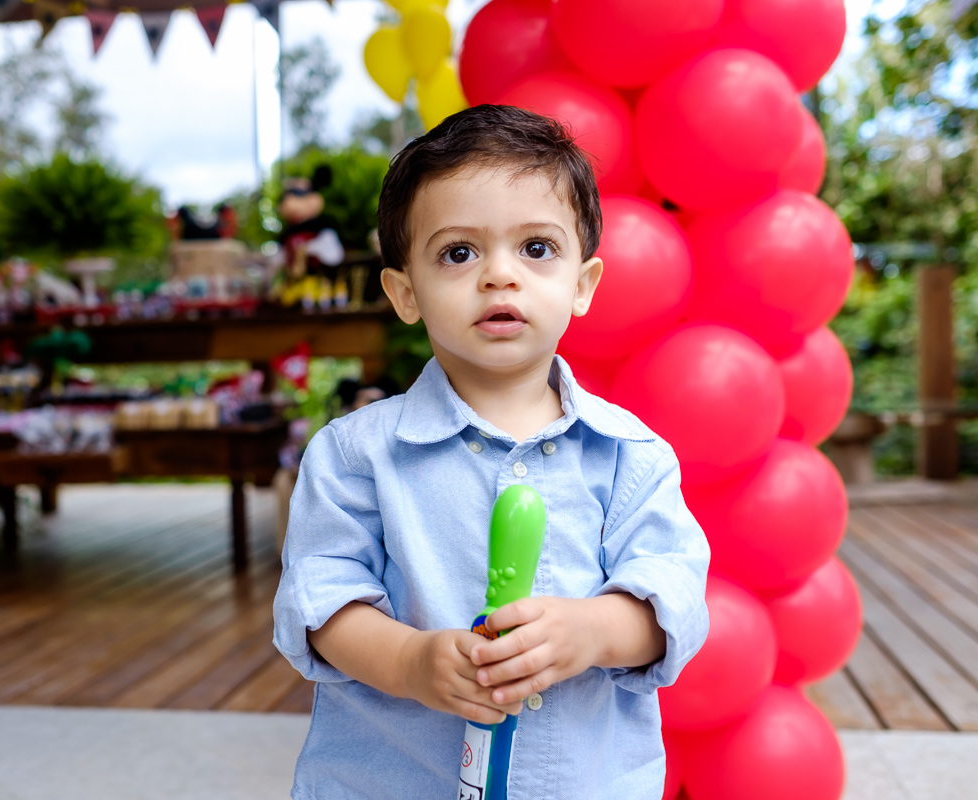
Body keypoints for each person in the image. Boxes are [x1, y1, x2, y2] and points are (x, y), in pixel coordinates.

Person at [272, 104, 710, 800]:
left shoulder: (631, 456)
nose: (499, 275)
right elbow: (321, 602)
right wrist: (411, 660)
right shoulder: (354, 456)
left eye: (536, 248)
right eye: (459, 253)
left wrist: (593, 630)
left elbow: (673, 596)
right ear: (405, 293)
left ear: (582, 285)